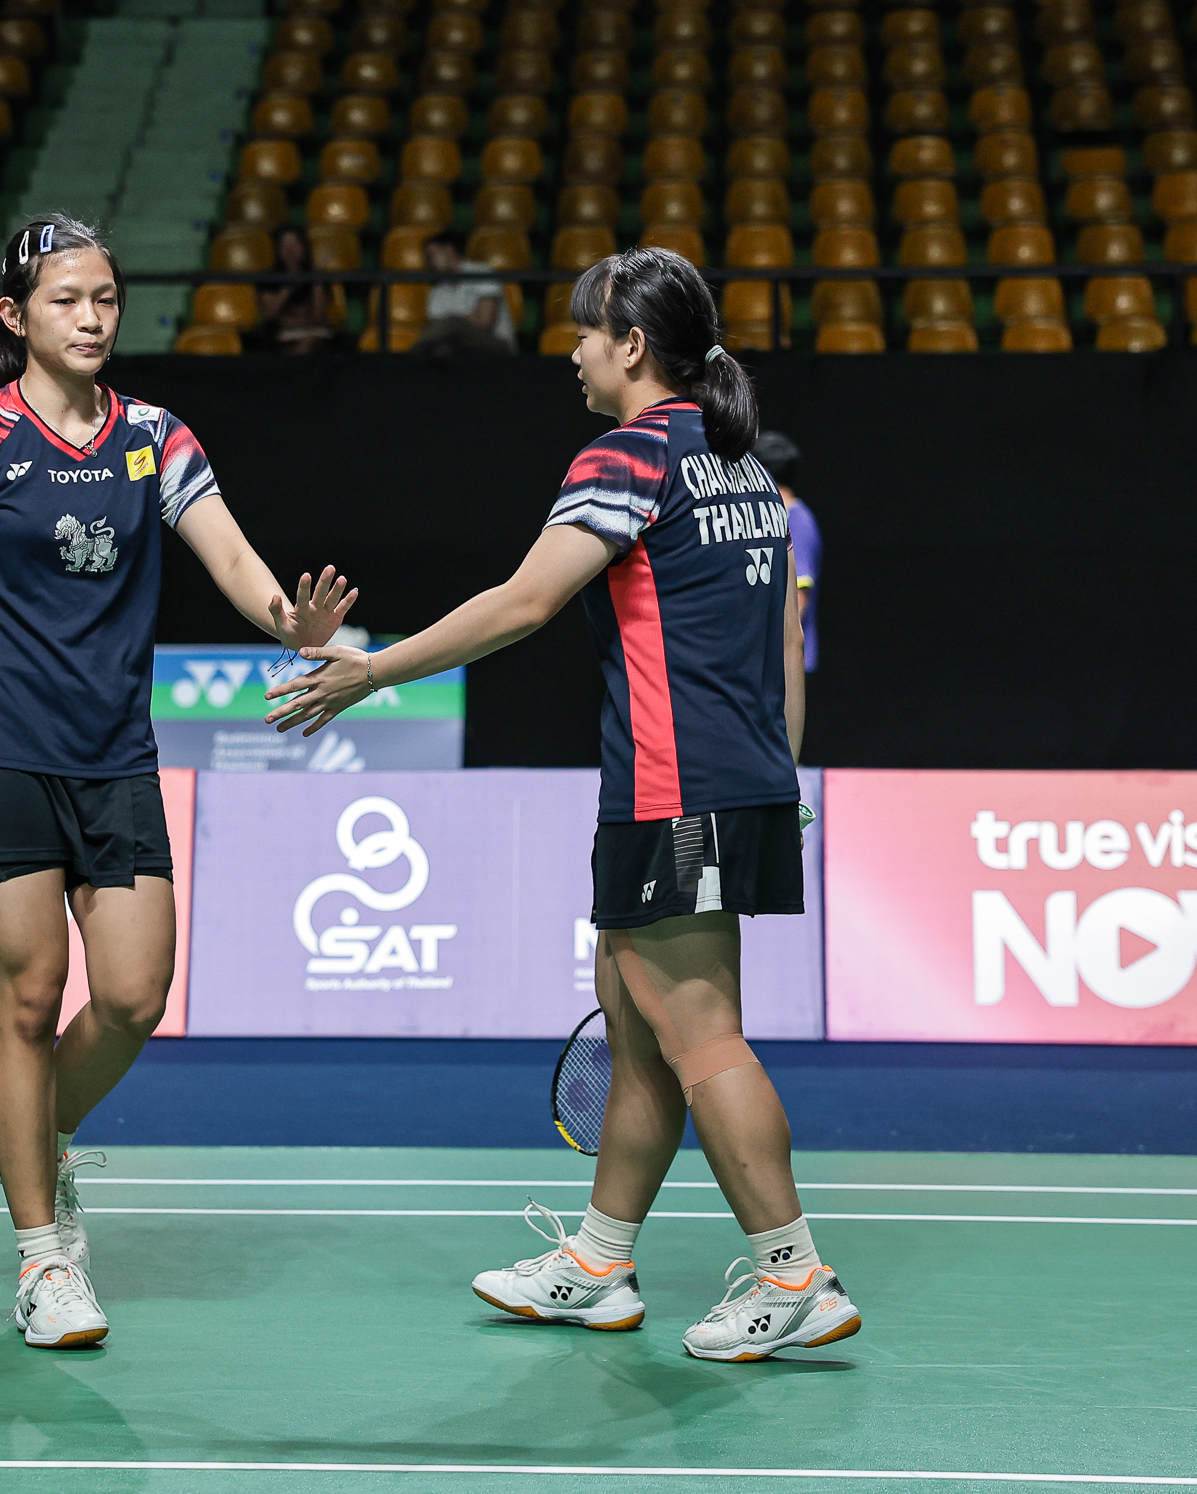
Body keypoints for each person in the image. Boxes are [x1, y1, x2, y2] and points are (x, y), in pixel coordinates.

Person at [268, 246, 861, 1363]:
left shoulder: (630, 453)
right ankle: (597, 1260)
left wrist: (372, 670)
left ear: (632, 344)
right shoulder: (740, 465)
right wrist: (779, 770)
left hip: (674, 786)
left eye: (587, 332)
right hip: (728, 777)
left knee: (700, 1036)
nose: (574, 352)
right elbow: (781, 631)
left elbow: (525, 601)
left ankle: (795, 1274)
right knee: (635, 1025)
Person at [0, 214, 357, 1352]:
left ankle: (27, 1133)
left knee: (133, 994)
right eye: (68, 299)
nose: (93, 317)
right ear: (16, 316)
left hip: (115, 756)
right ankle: (42, 1258)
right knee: (28, 998)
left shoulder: (155, 436)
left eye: (106, 297)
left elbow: (229, 553)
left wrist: (288, 622)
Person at [750, 430, 822, 675]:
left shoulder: (797, 520)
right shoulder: (773, 518)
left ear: (764, 472)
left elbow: (798, 597)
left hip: (785, 664)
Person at [412, 230, 516, 356]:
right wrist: (468, 318)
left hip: (496, 344)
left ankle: (411, 356)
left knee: (452, 323)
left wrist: (456, 322)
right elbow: (437, 328)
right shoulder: (438, 290)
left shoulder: (481, 272)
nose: (430, 262)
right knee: (441, 349)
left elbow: (485, 322)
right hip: (459, 348)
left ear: (449, 249)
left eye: (432, 255)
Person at [256, 224, 341, 354]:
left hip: (316, 336)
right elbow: (271, 314)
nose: (290, 250)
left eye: (294, 244)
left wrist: (316, 278)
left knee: (312, 342)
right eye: (285, 245)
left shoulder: (317, 277)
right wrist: (289, 285)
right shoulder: (270, 278)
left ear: (304, 248)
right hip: (283, 339)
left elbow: (319, 315)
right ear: (278, 250)